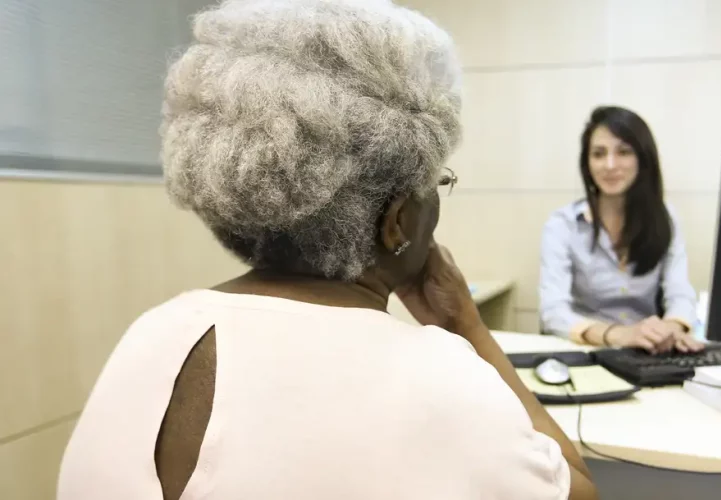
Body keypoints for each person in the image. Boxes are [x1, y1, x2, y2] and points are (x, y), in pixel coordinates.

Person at [57, 1, 597, 499]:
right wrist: (470, 329)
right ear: (398, 220)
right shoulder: (441, 377)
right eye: (439, 182)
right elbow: (578, 488)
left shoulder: (152, 333)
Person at [539, 106, 704, 354]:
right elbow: (553, 311)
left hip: (648, 351)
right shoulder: (563, 224)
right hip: (588, 350)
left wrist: (672, 327)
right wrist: (617, 335)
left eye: (624, 152)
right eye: (598, 154)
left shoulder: (665, 218)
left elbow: (680, 292)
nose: (610, 164)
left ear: (642, 158)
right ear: (587, 162)